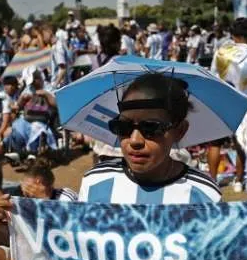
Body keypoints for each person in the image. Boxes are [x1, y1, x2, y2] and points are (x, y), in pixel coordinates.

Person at [78, 74, 221, 204]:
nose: (134, 140)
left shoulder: (205, 196)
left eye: (151, 128)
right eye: (123, 126)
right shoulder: (94, 183)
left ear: (180, 130)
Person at [207, 18, 247, 192]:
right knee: (241, 143)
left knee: (215, 143)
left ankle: (212, 180)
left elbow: (212, 77)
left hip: (221, 100)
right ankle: (239, 181)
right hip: (244, 105)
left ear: (233, 35)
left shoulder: (221, 52)